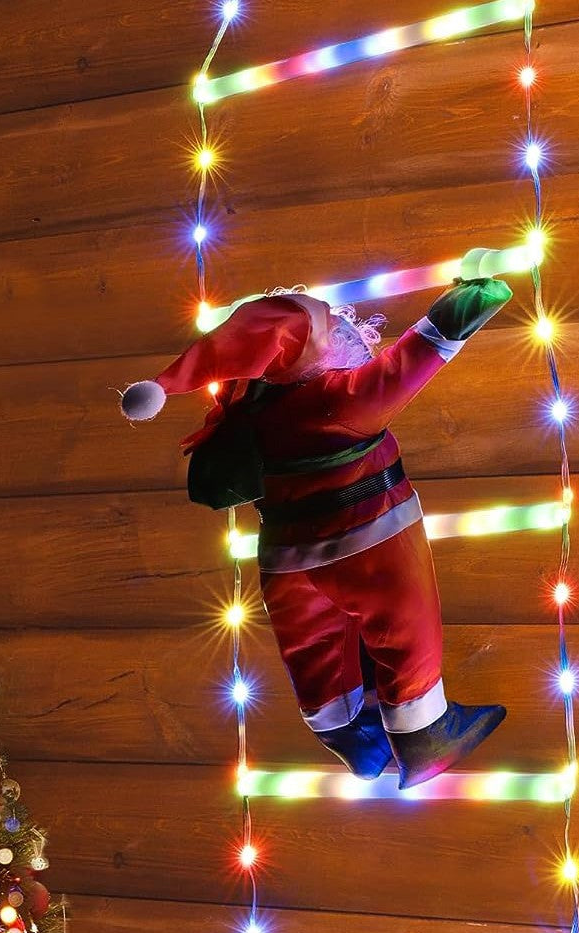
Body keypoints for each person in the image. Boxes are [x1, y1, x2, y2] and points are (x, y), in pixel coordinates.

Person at [120, 278, 512, 789]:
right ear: (306, 348)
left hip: (286, 564)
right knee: (405, 629)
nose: (344, 324)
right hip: (370, 546)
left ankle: (352, 738)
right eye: (329, 323)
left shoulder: (245, 418)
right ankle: (426, 733)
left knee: (314, 652)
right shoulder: (337, 398)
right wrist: (472, 299)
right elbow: (411, 361)